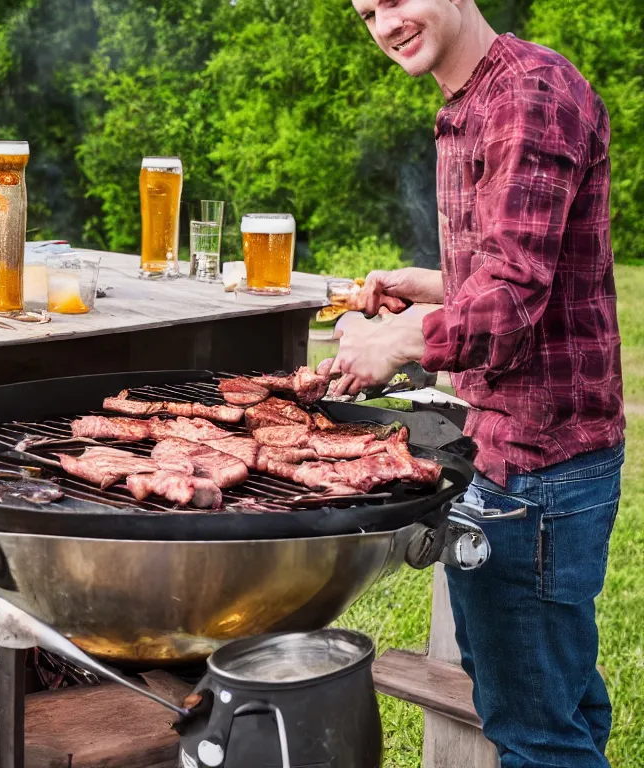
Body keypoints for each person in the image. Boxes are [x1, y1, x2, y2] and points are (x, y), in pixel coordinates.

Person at [334, 2, 626, 767]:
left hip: (537, 469)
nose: (385, 24)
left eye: (395, 1)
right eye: (367, 13)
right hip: (520, 459)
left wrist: (393, 343)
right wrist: (431, 287)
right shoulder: (474, 99)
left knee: (534, 732)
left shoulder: (529, 96)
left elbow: (508, 307)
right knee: (558, 703)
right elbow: (527, 271)